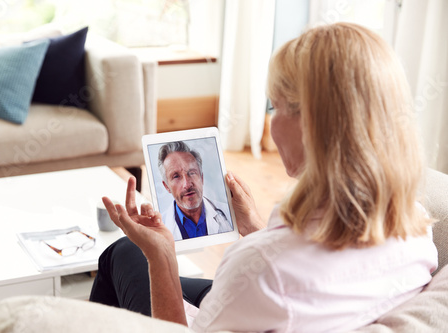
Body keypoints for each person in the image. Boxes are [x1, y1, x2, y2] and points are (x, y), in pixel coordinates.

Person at [90, 23, 438, 332]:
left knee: (121, 254)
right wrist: (255, 225)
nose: (271, 123)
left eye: (274, 106)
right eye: (176, 177)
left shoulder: (262, 268)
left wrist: (162, 254)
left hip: (248, 305)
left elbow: (271, 276)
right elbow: (300, 283)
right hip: (271, 308)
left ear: (311, 127)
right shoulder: (418, 227)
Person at [157, 141, 232, 240]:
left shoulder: (229, 213)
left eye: (192, 173)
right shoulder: (160, 228)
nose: (187, 185)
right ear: (166, 186)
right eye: (176, 176)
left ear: (201, 178)